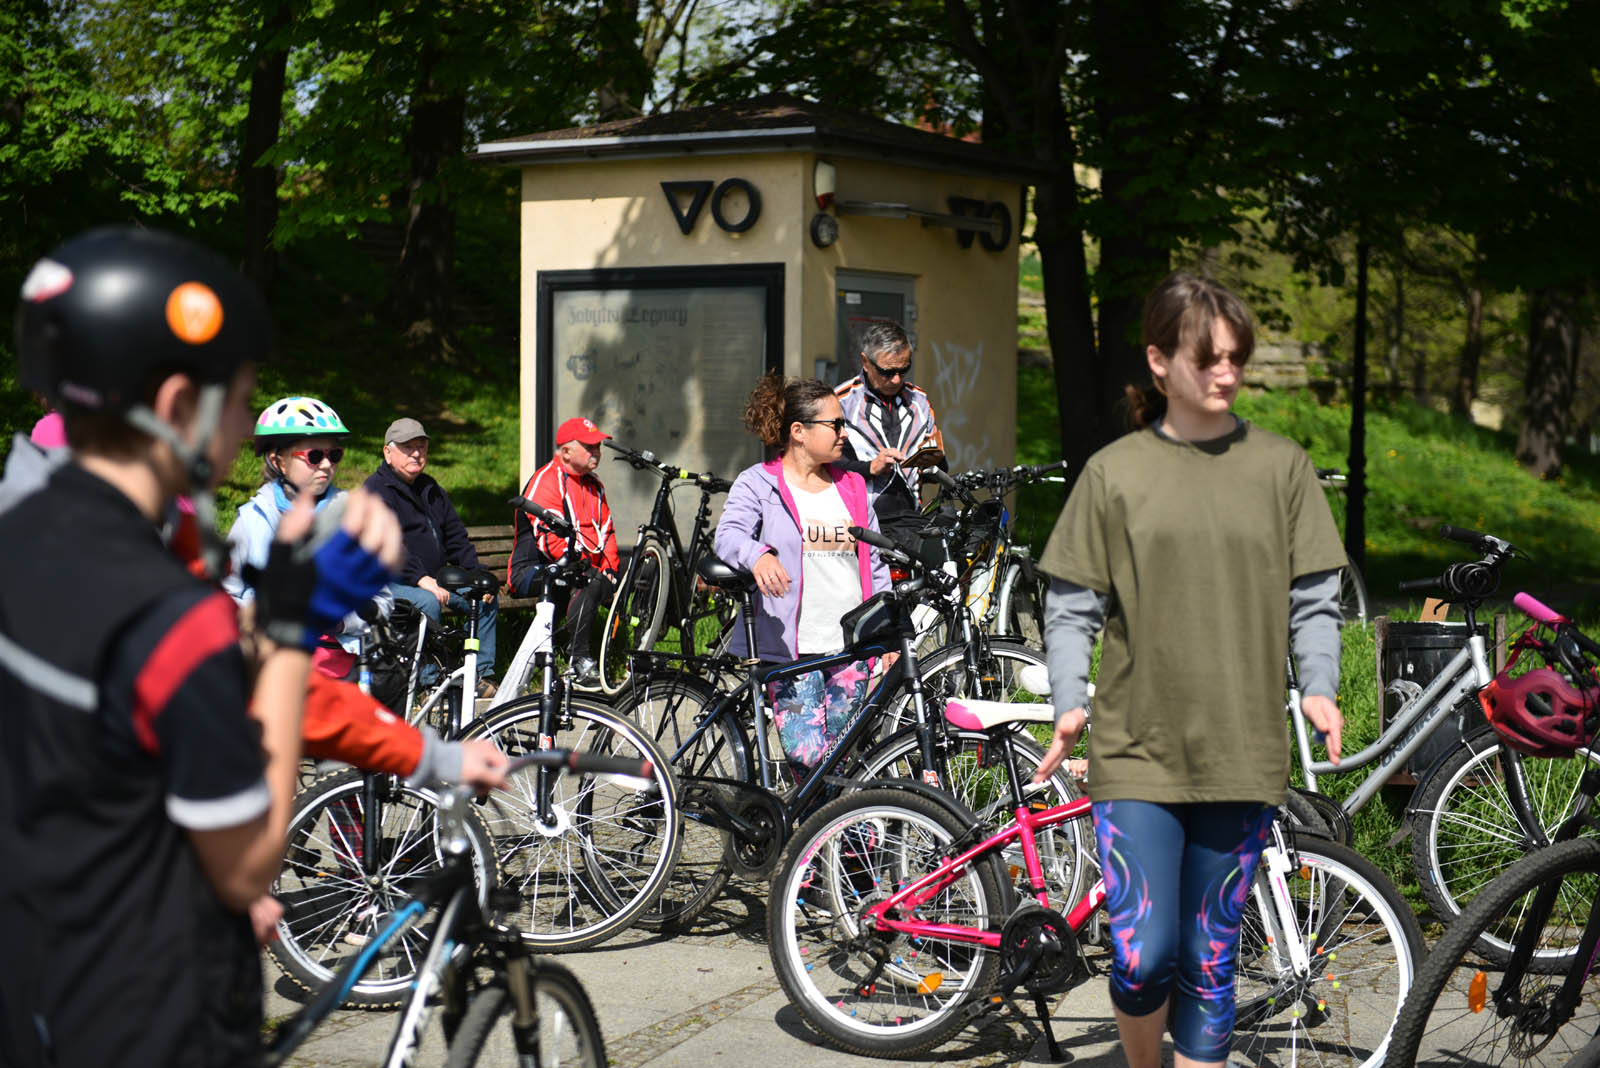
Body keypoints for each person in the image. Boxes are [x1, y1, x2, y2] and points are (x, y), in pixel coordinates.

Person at [0, 226, 402, 1068]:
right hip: (144, 1011)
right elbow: (247, 861)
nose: (245, 428)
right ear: (180, 403)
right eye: (242, 395)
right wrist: (293, 629)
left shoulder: (23, 534)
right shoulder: (167, 614)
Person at [1031, 272, 1346, 1068]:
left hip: (1241, 751)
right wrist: (1070, 701)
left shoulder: (1283, 469)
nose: (1226, 373)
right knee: (1143, 955)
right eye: (1208, 357)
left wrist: (1319, 685)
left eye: (1236, 357)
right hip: (1137, 749)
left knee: (1210, 961)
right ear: (1158, 361)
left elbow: (1316, 596)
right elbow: (1069, 603)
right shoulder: (1115, 474)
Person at [714, 372, 890, 778]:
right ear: (799, 431)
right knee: (807, 754)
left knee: (845, 758)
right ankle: (822, 836)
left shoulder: (853, 486)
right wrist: (757, 556)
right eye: (836, 424)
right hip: (790, 650)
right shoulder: (759, 483)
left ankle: (848, 841)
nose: (844, 433)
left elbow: (874, 564)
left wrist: (885, 635)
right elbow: (729, 536)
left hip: (851, 649)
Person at [225, 395, 380, 679]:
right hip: (270, 665)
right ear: (278, 461)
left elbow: (378, 597)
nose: (326, 465)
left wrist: (341, 620)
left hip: (337, 668)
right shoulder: (251, 519)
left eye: (334, 455)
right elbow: (228, 592)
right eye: (314, 456)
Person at [365, 416, 499, 697]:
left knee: (484, 596)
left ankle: (478, 674)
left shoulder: (430, 488)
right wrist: (420, 579)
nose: (417, 453)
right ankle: (429, 682)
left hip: (433, 576)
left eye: (422, 447)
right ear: (387, 452)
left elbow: (455, 535)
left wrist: (477, 572)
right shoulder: (376, 491)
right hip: (386, 581)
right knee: (427, 603)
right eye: (407, 447)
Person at [508, 416, 620, 686]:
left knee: (645, 569)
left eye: (598, 447)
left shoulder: (594, 485)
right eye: (590, 447)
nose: (597, 453)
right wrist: (592, 569)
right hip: (532, 570)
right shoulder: (546, 480)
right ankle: (578, 660)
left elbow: (607, 531)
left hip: (580, 565)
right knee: (587, 579)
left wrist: (612, 569)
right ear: (567, 451)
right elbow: (550, 541)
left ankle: (639, 653)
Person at [832, 319, 945, 550]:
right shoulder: (840, 401)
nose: (896, 379)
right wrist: (869, 468)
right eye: (887, 372)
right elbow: (825, 467)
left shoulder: (919, 401)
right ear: (865, 362)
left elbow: (940, 469)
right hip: (859, 523)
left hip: (911, 520)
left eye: (904, 370)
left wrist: (935, 461)